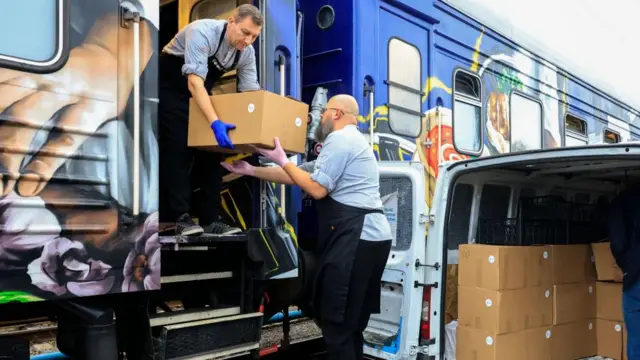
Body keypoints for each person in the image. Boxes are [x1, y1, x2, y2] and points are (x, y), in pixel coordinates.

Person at [222, 94, 393, 360]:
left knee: (336, 323)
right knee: (352, 325)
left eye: (324, 111)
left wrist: (284, 159)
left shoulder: (340, 139)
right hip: (371, 239)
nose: (321, 116)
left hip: (357, 238)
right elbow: (298, 173)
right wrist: (251, 170)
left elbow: (316, 188)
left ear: (336, 113)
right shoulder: (353, 142)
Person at [159, 4, 263, 236]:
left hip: (200, 90)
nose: (248, 40)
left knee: (212, 152)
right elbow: (194, 82)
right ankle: (179, 218)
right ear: (231, 22)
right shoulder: (202, 31)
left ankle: (210, 219)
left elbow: (250, 94)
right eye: (245, 33)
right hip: (170, 87)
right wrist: (214, 123)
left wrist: (259, 133)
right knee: (177, 150)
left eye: (254, 37)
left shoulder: (246, 53)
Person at [609, 184, 640, 360]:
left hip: (636, 278)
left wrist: (627, 266)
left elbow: (618, 243)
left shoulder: (620, 202)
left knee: (636, 339)